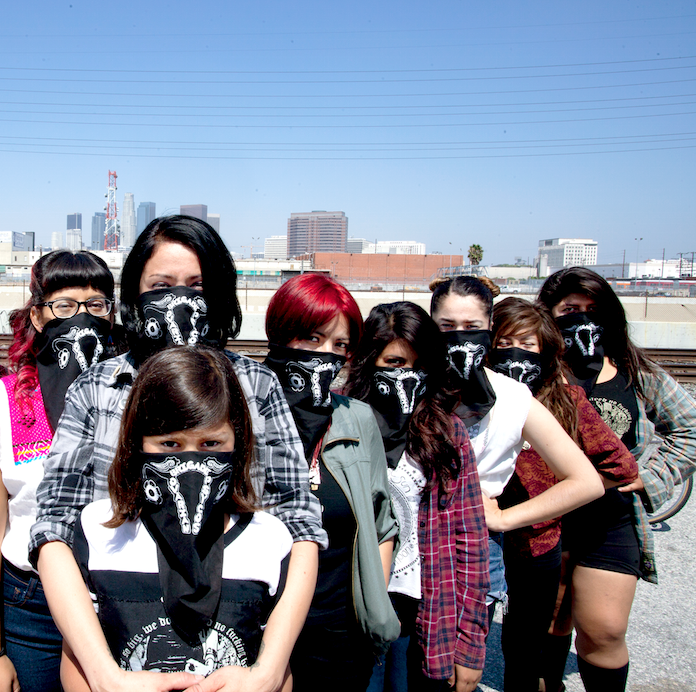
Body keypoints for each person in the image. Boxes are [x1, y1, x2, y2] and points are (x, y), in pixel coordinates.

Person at [30, 215, 325, 692]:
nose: (179, 301)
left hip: (237, 636)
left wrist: (269, 669)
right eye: (161, 285)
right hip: (118, 634)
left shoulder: (257, 385)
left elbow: (298, 519)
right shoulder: (97, 387)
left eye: (195, 286)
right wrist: (105, 675)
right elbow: (55, 524)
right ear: (135, 294)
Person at [70, 345, 294, 680]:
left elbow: (280, 674)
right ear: (137, 442)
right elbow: (75, 666)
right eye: (170, 445)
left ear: (239, 441)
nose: (192, 464)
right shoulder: (98, 532)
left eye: (211, 445)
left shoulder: (268, 540)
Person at [0, 250, 117, 692]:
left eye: (96, 305)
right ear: (36, 315)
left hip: (123, 602)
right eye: (64, 306)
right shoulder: (2, 401)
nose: (81, 319)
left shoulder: (141, 387)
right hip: (33, 609)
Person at [536, 267, 696, 692]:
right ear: (549, 317)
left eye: (594, 309)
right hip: (547, 516)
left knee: (604, 630)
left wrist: (650, 477)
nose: (584, 319)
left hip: (611, 519)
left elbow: (690, 428)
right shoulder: (534, 372)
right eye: (570, 310)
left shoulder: (635, 373)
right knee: (550, 620)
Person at [429, 276, 603, 623]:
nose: (459, 336)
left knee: (461, 670)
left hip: (472, 541)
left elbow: (586, 481)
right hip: (410, 536)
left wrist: (505, 519)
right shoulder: (412, 382)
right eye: (447, 326)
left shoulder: (512, 396)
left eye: (471, 326)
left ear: (489, 328)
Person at [487, 297, 638, 692]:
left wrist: (559, 492)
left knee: (523, 641)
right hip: (478, 543)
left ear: (546, 353)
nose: (514, 355)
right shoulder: (471, 401)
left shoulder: (567, 402)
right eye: (502, 345)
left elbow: (620, 467)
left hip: (536, 543)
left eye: (527, 345)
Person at [263, 274, 399, 691]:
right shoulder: (238, 411)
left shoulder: (356, 418)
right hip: (254, 628)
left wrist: (369, 603)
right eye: (312, 338)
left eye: (340, 346)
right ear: (281, 335)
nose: (326, 356)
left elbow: (381, 524)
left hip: (339, 635)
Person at [344, 302, 487, 692]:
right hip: (350, 609)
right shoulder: (340, 420)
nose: (405, 376)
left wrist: (470, 644)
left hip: (420, 612)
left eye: (416, 365)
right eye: (393, 362)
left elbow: (470, 540)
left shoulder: (446, 431)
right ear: (368, 360)